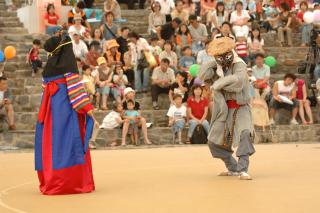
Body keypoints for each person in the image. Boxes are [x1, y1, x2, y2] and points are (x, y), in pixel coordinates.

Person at [35, 34, 97, 195]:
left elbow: (44, 90)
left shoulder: (49, 67)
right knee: (69, 139)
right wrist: (88, 109)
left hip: (50, 108)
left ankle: (52, 178)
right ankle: (70, 182)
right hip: (66, 108)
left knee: (52, 141)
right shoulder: (68, 66)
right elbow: (75, 90)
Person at [198, 37, 255, 180]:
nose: (223, 58)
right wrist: (212, 62)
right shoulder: (217, 67)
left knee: (245, 134)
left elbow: (239, 82)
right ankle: (233, 168)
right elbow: (203, 75)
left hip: (241, 107)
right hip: (223, 110)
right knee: (213, 141)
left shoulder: (239, 64)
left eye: (225, 54)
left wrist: (219, 84)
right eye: (219, 55)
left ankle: (243, 169)